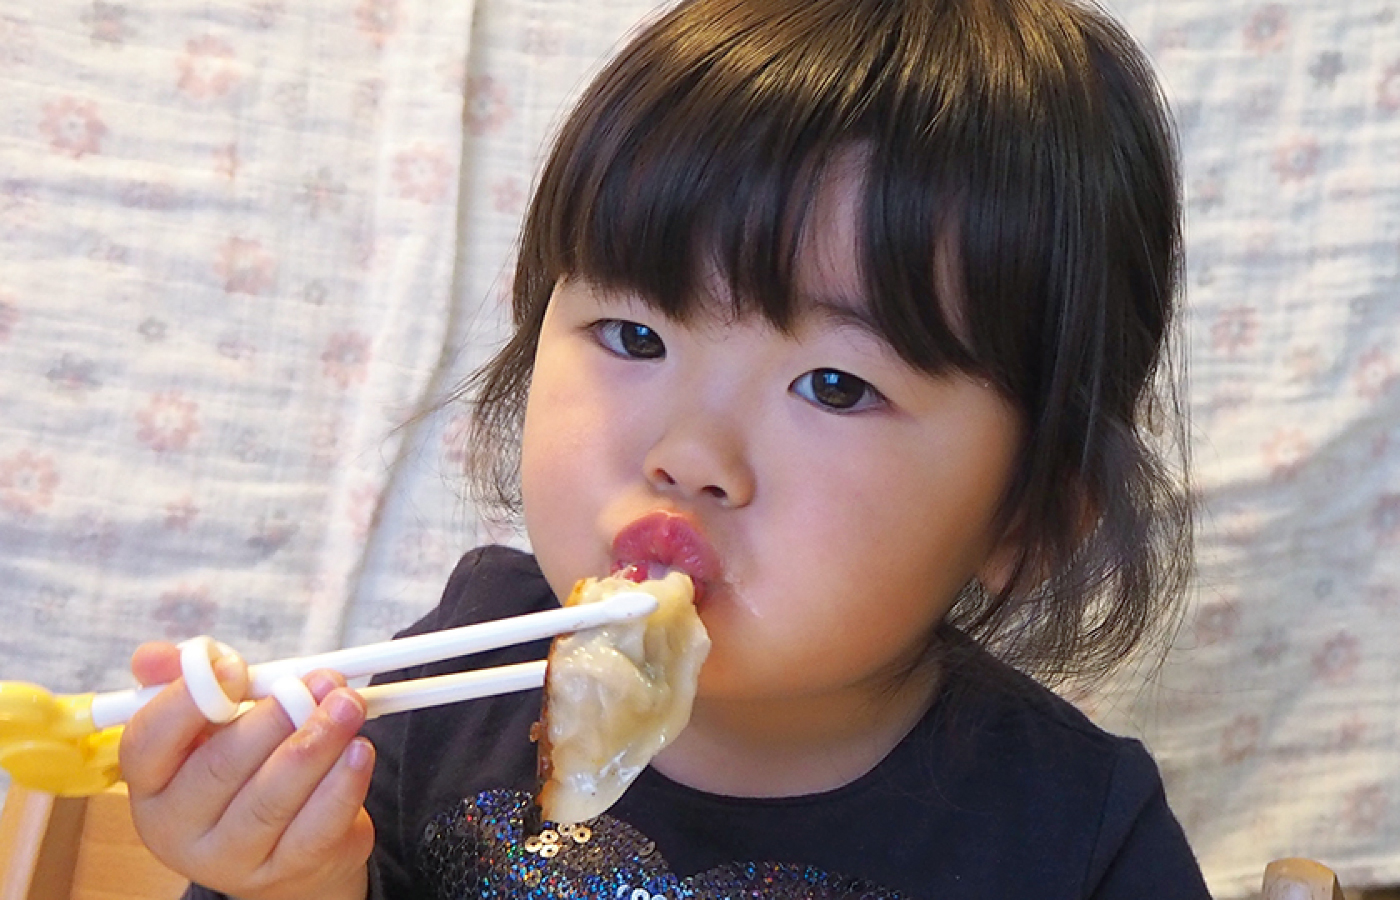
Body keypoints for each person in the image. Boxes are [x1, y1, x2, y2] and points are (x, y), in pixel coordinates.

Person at [118, 0, 1211, 896]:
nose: (689, 454)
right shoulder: (445, 684)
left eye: (834, 385)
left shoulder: (1076, 837)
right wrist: (286, 875)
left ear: (1023, 517)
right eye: (633, 335)